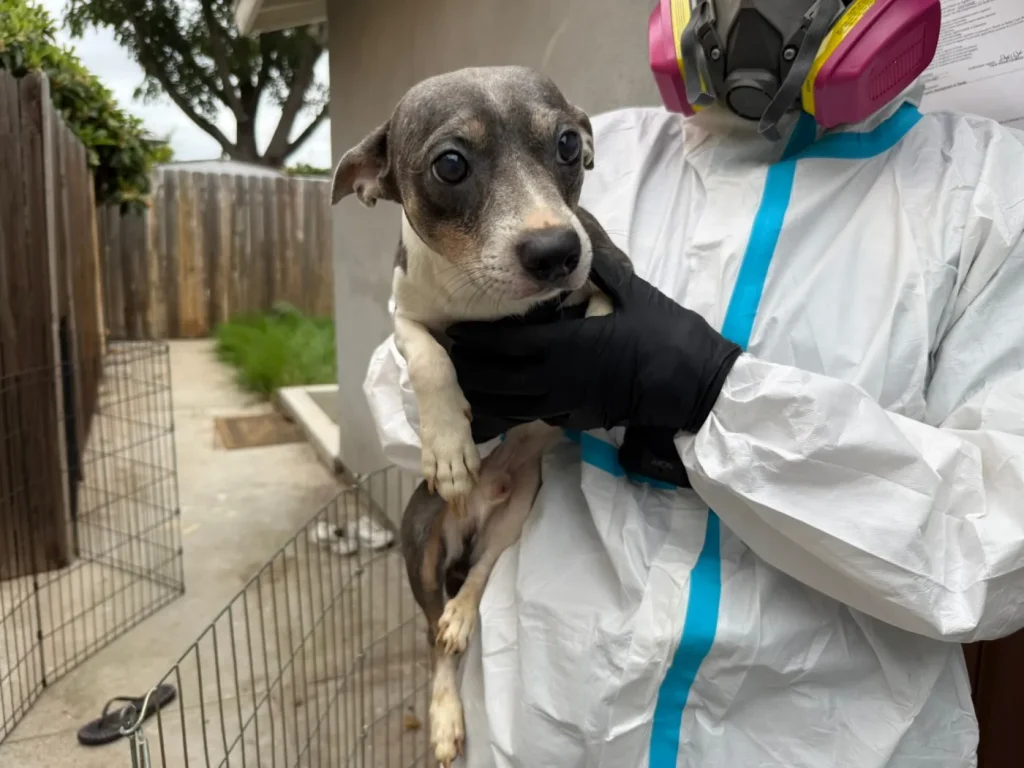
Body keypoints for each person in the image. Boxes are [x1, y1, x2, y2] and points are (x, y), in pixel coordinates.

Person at [364, 1, 1024, 765]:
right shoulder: (581, 157)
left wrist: (713, 397)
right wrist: (458, 390)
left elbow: (997, 547)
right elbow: (398, 410)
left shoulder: (987, 199)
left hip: (827, 741)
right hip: (546, 729)